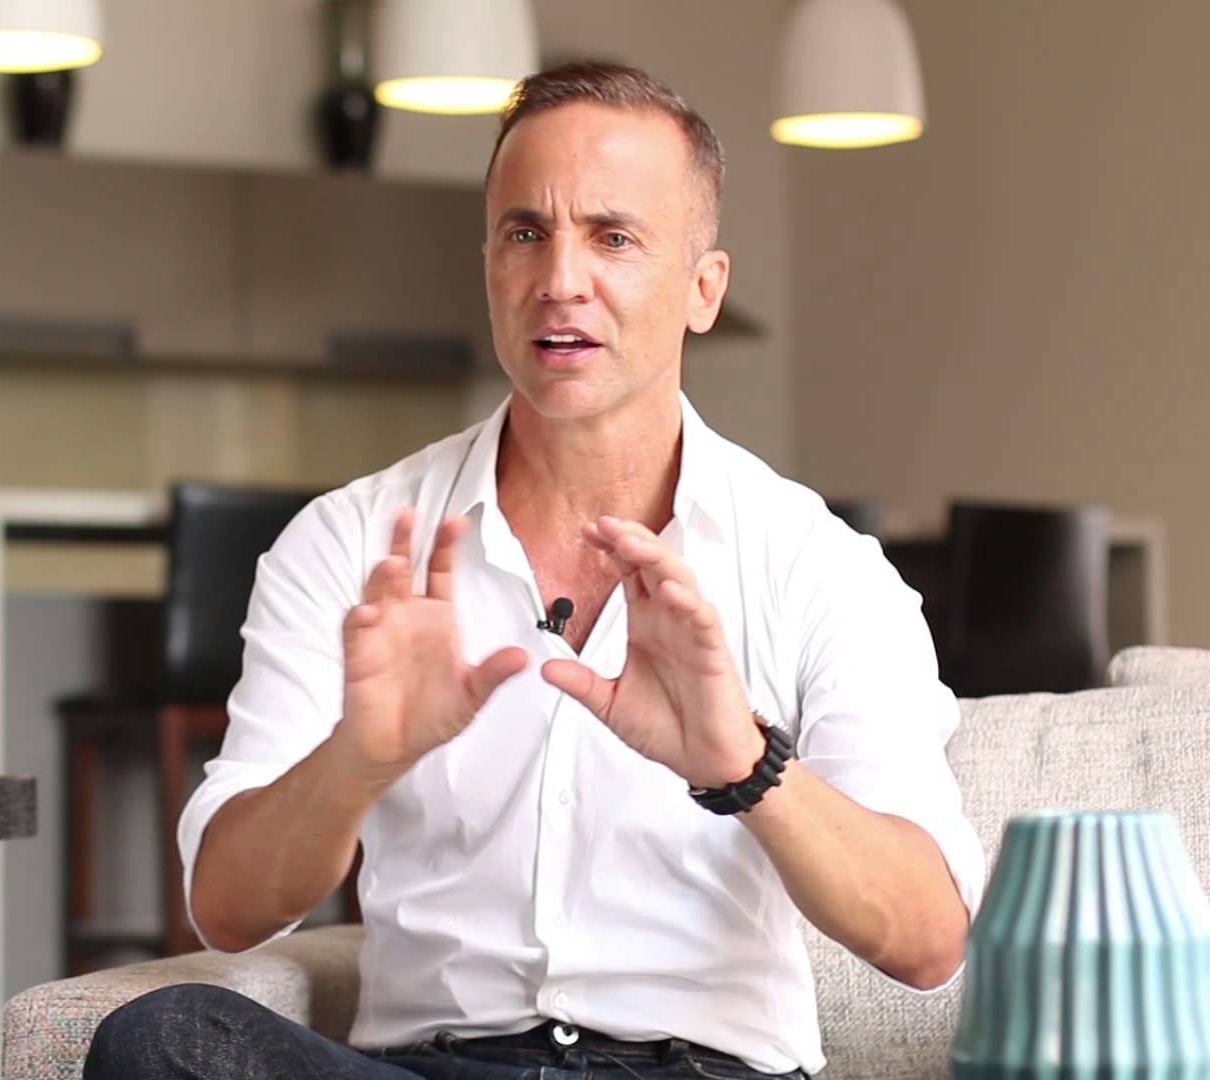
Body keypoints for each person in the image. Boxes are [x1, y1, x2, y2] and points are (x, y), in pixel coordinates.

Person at [85, 61, 982, 1079]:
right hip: (432, 1066)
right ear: (489, 267)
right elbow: (229, 910)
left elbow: (928, 940)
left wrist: (741, 761)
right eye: (526, 233)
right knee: (164, 1041)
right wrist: (357, 760)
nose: (561, 280)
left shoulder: (820, 567)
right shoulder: (352, 541)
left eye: (613, 237)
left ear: (704, 288)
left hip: (703, 1070)